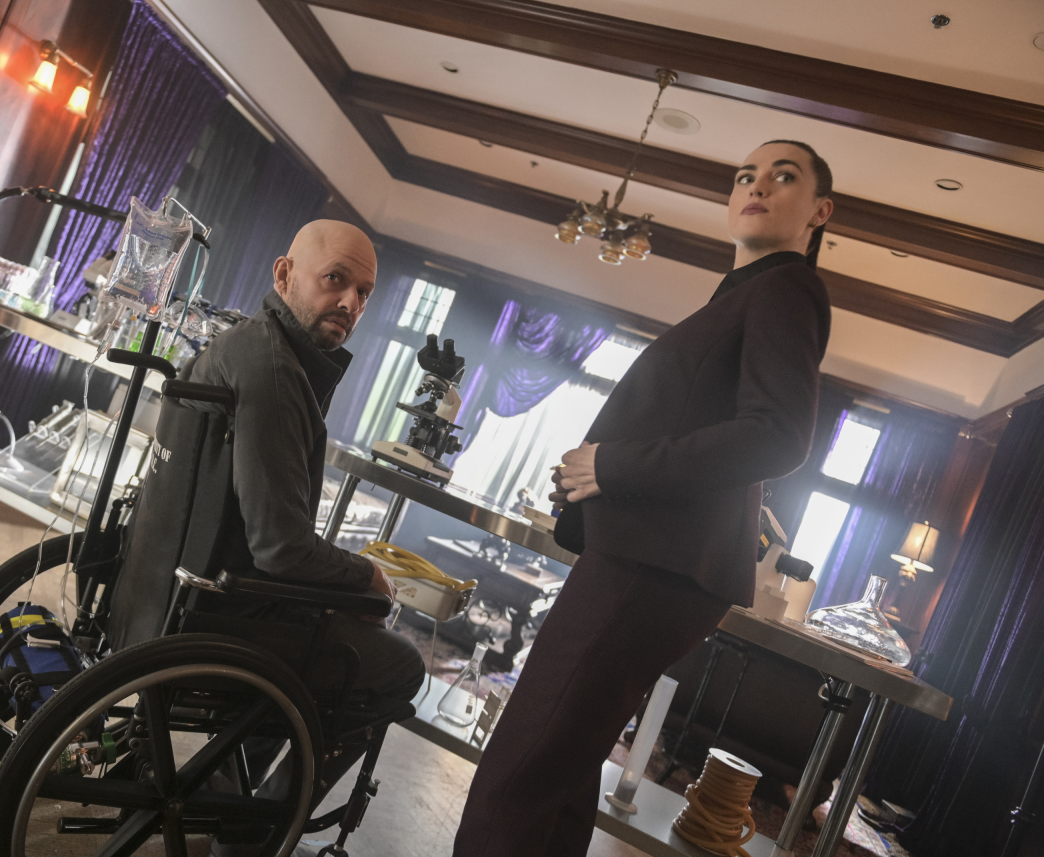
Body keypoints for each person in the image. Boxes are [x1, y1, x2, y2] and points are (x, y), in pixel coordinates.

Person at [452, 140, 835, 856]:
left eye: (783, 177)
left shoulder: (786, 289)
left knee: (519, 768)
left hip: (652, 568)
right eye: (745, 175)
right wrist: (595, 477)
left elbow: (777, 436)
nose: (757, 186)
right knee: (559, 773)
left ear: (819, 212)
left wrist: (614, 466)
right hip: (650, 562)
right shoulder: (745, 296)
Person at [181, 219, 425, 712]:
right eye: (335, 279)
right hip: (221, 612)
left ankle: (250, 754)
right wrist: (367, 574)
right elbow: (282, 550)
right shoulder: (273, 371)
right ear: (283, 274)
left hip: (179, 582)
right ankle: (268, 764)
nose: (351, 303)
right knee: (401, 663)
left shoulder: (245, 343)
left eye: (364, 293)